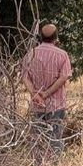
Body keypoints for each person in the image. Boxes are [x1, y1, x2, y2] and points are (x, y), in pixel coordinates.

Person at [21, 22, 72, 156]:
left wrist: (35, 94)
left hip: (36, 104)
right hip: (56, 104)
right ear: (56, 37)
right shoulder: (62, 55)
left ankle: (38, 165)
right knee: (55, 137)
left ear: (40, 37)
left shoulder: (30, 54)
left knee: (37, 138)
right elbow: (64, 77)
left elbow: (25, 77)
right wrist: (47, 93)